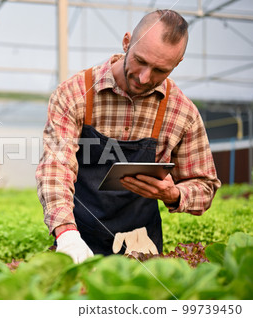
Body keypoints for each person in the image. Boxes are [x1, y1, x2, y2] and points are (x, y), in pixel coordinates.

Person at [35, 9, 221, 263]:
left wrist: (174, 194)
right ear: (126, 43)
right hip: (78, 238)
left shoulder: (182, 113)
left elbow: (205, 185)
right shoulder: (75, 93)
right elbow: (56, 167)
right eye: (140, 61)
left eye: (160, 70)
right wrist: (66, 234)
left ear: (177, 64)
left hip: (142, 245)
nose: (145, 77)